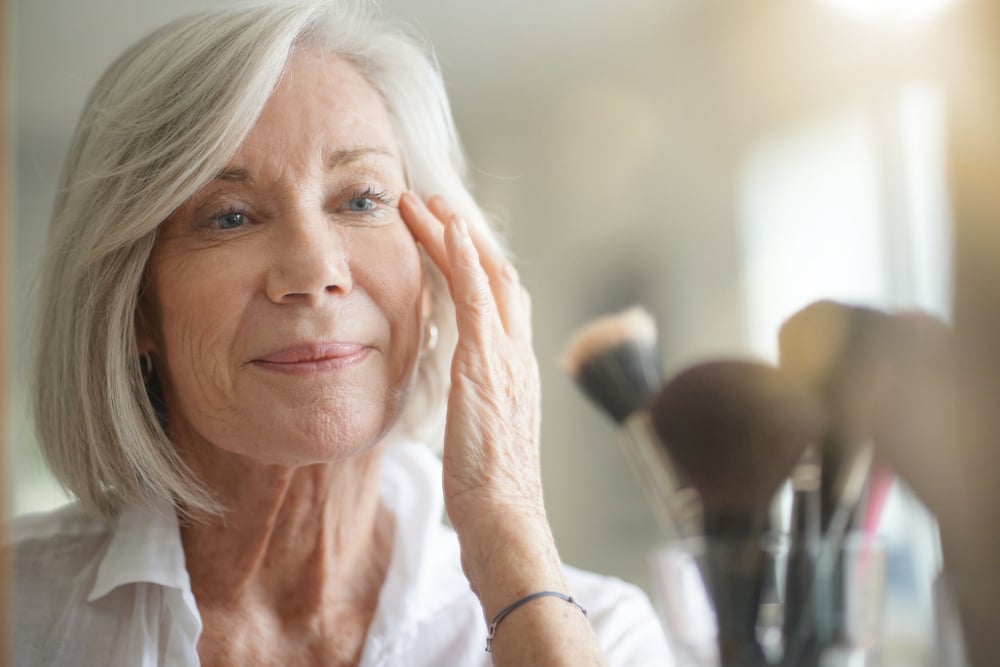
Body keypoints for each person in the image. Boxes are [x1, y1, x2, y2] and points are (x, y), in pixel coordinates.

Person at [9, 1, 672, 664]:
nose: (316, 270)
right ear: (134, 310)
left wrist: (514, 544)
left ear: (441, 272)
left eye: (360, 199)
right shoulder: (22, 610)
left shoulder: (602, 633)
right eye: (230, 216)